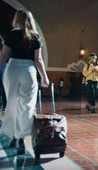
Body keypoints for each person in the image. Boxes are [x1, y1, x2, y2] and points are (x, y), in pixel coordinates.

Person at [0, 10, 49, 155]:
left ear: (17, 19)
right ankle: (20, 138)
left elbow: (4, 55)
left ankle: (14, 136)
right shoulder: (35, 37)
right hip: (28, 70)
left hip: (12, 69)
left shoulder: (11, 34)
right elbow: (38, 60)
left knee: (12, 103)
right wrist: (44, 77)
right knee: (26, 105)